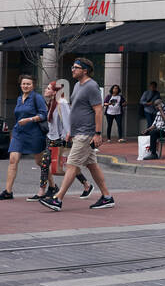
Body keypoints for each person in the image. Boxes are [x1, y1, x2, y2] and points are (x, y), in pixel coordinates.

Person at [40, 59, 114, 210]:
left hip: (86, 133)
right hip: (78, 132)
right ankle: (107, 197)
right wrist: (71, 131)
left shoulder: (91, 86)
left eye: (76, 67)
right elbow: (76, 110)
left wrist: (98, 133)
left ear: (85, 70)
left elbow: (98, 110)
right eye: (72, 66)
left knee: (71, 165)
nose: (72, 69)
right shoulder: (77, 85)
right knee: (92, 165)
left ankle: (58, 199)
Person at [30, 80, 91, 201]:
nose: (46, 90)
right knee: (45, 163)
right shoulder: (52, 102)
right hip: (51, 137)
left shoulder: (62, 102)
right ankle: (42, 190)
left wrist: (68, 134)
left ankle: (86, 184)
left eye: (48, 88)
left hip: (61, 139)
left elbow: (68, 120)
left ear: (55, 91)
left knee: (69, 165)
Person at [0, 75, 49, 200]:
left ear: (33, 86)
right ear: (20, 85)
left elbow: (43, 115)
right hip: (19, 133)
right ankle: (8, 191)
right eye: (24, 84)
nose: (25, 86)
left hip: (34, 133)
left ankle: (51, 186)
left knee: (40, 162)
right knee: (13, 160)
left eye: (28, 84)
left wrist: (29, 119)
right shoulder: (19, 99)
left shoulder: (37, 98)